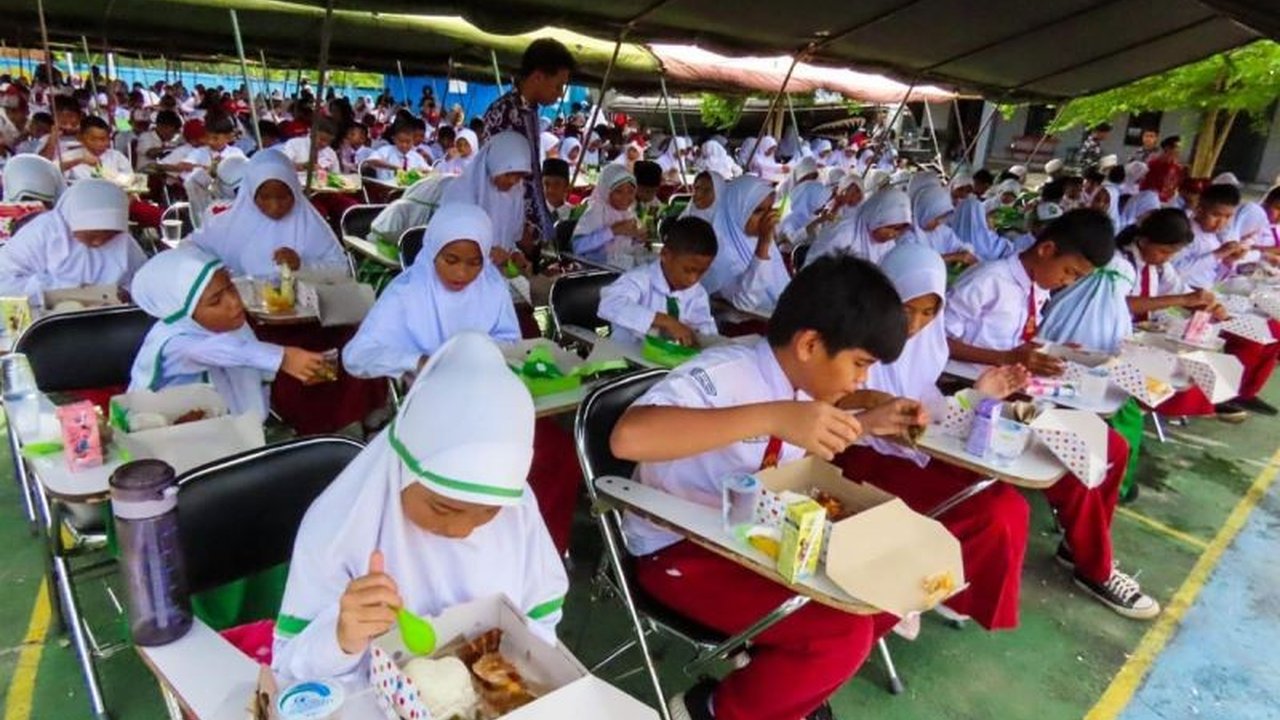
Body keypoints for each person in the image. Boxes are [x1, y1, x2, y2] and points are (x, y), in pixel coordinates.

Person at [611, 255, 920, 720]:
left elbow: (788, 441)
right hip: (678, 549)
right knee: (841, 634)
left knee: (893, 584)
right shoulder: (726, 372)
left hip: (752, 537)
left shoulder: (802, 388)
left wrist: (868, 422)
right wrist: (772, 416)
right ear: (810, 344)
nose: (863, 379)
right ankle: (711, 710)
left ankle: (773, 679)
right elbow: (628, 438)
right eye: (860, 363)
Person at [272, 332, 568, 680]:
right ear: (402, 468)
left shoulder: (517, 507)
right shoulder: (337, 526)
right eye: (443, 508)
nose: (461, 531)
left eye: (488, 513)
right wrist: (341, 638)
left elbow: (541, 618)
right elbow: (288, 668)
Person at [945, 208, 1160, 618]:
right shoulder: (988, 281)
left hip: (1014, 389)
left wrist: (1048, 350)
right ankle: (1095, 568)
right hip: (970, 396)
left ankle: (1078, 545)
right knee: (1074, 459)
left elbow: (1016, 339)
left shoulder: (1034, 286)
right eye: (1070, 272)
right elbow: (938, 340)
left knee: (1112, 448)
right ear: (1046, 250)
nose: (1069, 283)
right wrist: (1006, 357)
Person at [836, 243, 1030, 631]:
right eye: (906, 309)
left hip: (911, 450)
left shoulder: (927, 344)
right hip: (854, 454)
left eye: (928, 312)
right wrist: (874, 406)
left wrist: (978, 396)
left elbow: (929, 410)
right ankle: (908, 588)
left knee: (1010, 504)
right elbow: (825, 404)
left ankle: (952, 588)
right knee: (986, 513)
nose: (915, 324)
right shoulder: (851, 336)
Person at [128, 246, 329, 421]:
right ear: (184, 313)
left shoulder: (227, 323)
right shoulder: (174, 341)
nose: (234, 302)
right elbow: (226, 349)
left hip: (223, 424)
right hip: (172, 431)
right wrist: (283, 358)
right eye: (215, 301)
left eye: (231, 288)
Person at [481, 38, 577, 253]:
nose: (560, 93)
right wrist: (521, 227)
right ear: (538, 77)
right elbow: (499, 180)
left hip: (530, 228)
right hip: (509, 232)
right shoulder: (505, 113)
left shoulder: (530, 110)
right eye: (558, 85)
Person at [190, 151, 349, 278]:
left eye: (283, 197)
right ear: (251, 195)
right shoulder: (225, 226)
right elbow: (191, 253)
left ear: (295, 192)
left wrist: (303, 265)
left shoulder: (310, 225)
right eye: (265, 198)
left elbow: (342, 269)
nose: (275, 207)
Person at [0, 179, 146, 303]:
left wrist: (125, 293)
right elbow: (5, 281)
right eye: (92, 235)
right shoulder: (43, 233)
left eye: (110, 235)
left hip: (105, 317)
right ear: (72, 221)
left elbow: (143, 281)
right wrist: (59, 290)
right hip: (43, 317)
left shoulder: (123, 242)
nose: (98, 242)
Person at [598, 216, 719, 347]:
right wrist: (665, 321)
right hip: (626, 354)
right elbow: (609, 305)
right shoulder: (639, 279)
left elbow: (705, 327)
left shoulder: (698, 293)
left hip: (672, 357)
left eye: (702, 272)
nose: (693, 279)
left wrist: (699, 334)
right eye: (688, 270)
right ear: (665, 254)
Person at [438, 131, 533, 271]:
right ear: (494, 165)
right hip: (460, 272)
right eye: (508, 174)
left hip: (495, 273)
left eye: (519, 176)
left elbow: (505, 238)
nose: (513, 181)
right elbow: (446, 241)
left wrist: (514, 253)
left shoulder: (514, 193)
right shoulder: (461, 193)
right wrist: (486, 253)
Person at [701, 176, 790, 316]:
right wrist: (763, 244)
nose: (767, 217)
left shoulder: (760, 239)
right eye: (758, 211)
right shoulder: (718, 253)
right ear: (736, 211)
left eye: (770, 209)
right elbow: (744, 303)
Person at [806, 188, 912, 267]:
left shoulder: (889, 245)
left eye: (899, 230)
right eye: (889, 227)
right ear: (876, 217)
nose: (892, 234)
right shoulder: (842, 236)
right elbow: (816, 273)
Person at [1173, 183, 1246, 290]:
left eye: (1227, 216)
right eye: (1216, 215)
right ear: (1199, 210)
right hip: (1184, 292)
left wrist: (1227, 260)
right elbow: (1175, 271)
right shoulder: (1184, 232)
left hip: (1205, 289)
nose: (1221, 222)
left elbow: (1210, 274)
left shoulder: (1213, 236)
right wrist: (1217, 254)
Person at [569, 163, 641, 264]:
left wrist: (638, 238)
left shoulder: (628, 213)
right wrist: (613, 231)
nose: (625, 197)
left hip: (621, 266)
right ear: (606, 191)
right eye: (618, 191)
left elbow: (627, 247)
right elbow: (578, 247)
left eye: (630, 191)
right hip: (597, 269)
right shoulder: (596, 211)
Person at [903, 184, 977, 266]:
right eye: (935, 218)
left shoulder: (941, 230)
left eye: (941, 218)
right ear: (924, 213)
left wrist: (964, 252)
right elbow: (916, 262)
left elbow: (959, 246)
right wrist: (953, 257)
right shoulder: (908, 236)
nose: (938, 222)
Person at [777, 157, 830, 245]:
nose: (809, 182)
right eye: (805, 178)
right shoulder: (784, 189)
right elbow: (790, 235)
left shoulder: (814, 191)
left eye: (813, 178)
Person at [363, 120, 430, 181]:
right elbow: (371, 161)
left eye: (408, 142)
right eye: (401, 141)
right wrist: (395, 168)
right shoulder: (386, 150)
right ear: (394, 139)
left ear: (413, 141)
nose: (404, 145)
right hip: (385, 187)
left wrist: (417, 171)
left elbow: (429, 170)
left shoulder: (416, 156)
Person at [1140, 136, 1183, 203]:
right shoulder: (1152, 165)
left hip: (1168, 203)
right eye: (1177, 147)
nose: (1179, 151)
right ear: (1167, 148)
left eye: (1180, 148)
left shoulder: (1177, 168)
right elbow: (1144, 186)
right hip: (1151, 202)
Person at [541, 157, 574, 223]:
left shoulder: (574, 215)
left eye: (557, 184)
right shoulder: (537, 213)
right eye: (546, 184)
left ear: (566, 187)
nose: (551, 189)